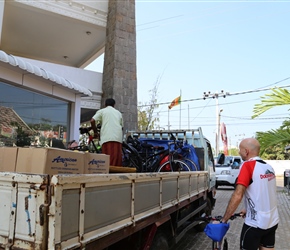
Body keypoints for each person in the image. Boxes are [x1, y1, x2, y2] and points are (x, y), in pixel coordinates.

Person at [221, 138, 279, 250]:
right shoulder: (268, 167)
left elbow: (238, 195)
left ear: (246, 151)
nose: (238, 152)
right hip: (272, 222)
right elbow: (264, 193)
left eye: (240, 149)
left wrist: (224, 219)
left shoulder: (247, 166)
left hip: (255, 225)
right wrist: (248, 209)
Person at [90, 98, 123, 166]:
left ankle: (108, 175)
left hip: (107, 138)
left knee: (107, 161)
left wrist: (95, 132)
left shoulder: (102, 111)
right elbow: (122, 127)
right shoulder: (118, 113)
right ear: (114, 105)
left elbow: (92, 121)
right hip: (118, 138)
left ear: (105, 104)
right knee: (117, 161)